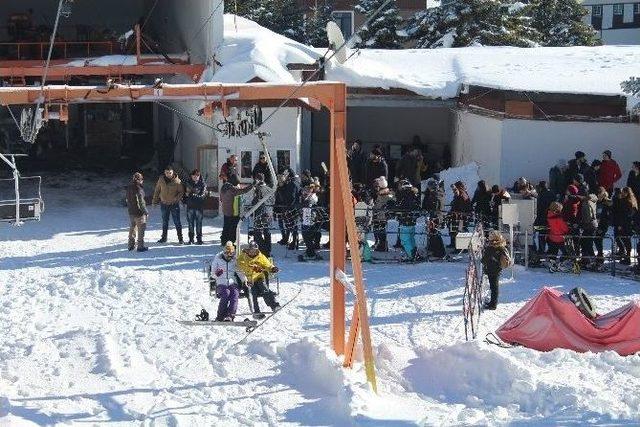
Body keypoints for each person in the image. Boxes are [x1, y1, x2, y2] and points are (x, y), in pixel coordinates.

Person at [236, 241, 280, 317]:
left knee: (264, 288)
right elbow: (239, 265)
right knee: (252, 293)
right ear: (248, 250)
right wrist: (251, 267)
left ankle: (274, 305)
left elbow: (267, 265)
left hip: (259, 277)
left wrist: (272, 268)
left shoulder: (260, 256)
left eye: (255, 250)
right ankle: (256, 312)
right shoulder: (243, 256)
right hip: (249, 280)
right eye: (251, 250)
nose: (253, 252)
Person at [152, 165, 184, 244]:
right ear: (164, 173)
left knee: (177, 222)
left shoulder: (177, 181)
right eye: (166, 173)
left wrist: (176, 199)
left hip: (174, 205)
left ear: (173, 172)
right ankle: (164, 238)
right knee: (165, 222)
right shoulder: (161, 179)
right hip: (164, 204)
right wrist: (154, 202)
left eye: (170, 173)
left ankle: (180, 239)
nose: (168, 174)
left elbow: (181, 192)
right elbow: (157, 190)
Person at [219, 173, 254, 246]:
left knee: (226, 226)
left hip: (226, 210)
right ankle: (230, 242)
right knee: (233, 228)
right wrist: (253, 185)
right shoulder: (232, 189)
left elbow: (221, 199)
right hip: (232, 211)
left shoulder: (224, 186)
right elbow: (243, 191)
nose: (237, 184)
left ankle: (224, 241)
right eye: (237, 183)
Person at [481, 230, 510, 310]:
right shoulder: (501, 246)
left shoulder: (490, 248)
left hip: (491, 269)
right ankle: (493, 303)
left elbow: (483, 260)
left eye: (490, 236)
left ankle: (493, 305)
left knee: (493, 288)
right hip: (498, 269)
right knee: (495, 287)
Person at [213, 241, 240, 321]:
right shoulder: (218, 258)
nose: (229, 256)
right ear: (224, 253)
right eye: (227, 253)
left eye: (231, 254)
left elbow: (239, 271)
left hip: (232, 282)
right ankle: (220, 316)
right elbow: (213, 275)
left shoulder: (234, 259)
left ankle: (230, 315)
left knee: (235, 294)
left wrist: (245, 280)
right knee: (226, 293)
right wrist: (217, 274)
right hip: (221, 283)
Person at [126, 172, 149, 252]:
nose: (142, 181)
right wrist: (145, 212)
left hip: (131, 212)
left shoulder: (129, 188)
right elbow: (141, 203)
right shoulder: (139, 189)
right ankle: (140, 246)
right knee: (141, 229)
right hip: (139, 213)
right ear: (139, 180)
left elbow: (127, 200)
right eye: (141, 179)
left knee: (132, 228)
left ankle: (130, 245)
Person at [614, 187, 637, 265]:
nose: (622, 193)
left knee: (623, 239)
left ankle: (627, 257)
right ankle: (627, 256)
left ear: (626, 193)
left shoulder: (624, 201)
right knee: (627, 240)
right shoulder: (632, 201)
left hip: (624, 224)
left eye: (623, 192)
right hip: (629, 224)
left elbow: (622, 214)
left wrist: (620, 224)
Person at [251, 173, 272, 256]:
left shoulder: (259, 189)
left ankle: (264, 250)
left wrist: (252, 203)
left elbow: (256, 201)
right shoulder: (269, 188)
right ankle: (268, 249)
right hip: (269, 212)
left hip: (260, 212)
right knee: (267, 231)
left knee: (257, 232)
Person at [372, 176, 395, 252]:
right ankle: (381, 245)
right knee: (379, 232)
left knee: (381, 232)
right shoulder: (380, 195)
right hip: (379, 216)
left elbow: (390, 202)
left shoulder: (385, 195)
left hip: (382, 216)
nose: (376, 188)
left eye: (377, 186)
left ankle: (383, 246)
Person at [184, 169, 205, 245]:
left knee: (199, 224)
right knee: (190, 224)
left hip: (199, 207)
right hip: (190, 206)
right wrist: (187, 196)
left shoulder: (202, 184)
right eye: (194, 176)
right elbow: (185, 194)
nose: (196, 177)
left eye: (197, 176)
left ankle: (199, 239)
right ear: (191, 176)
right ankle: (191, 239)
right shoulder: (188, 183)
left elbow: (202, 196)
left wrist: (191, 194)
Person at [534, 181, 555, 253]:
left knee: (541, 235)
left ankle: (541, 250)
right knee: (550, 235)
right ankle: (551, 250)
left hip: (542, 219)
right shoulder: (552, 194)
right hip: (551, 219)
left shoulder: (541, 195)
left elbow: (539, 209)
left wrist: (536, 221)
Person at [449, 181, 472, 248]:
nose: (454, 190)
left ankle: (460, 247)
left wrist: (456, 213)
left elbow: (463, 208)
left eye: (455, 188)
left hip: (461, 217)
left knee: (459, 232)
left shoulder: (462, 195)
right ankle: (454, 245)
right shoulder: (458, 194)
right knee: (454, 230)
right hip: (456, 216)